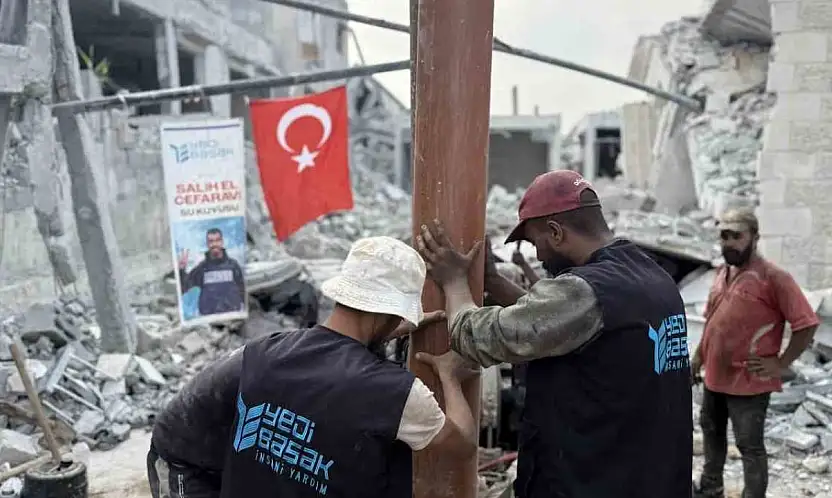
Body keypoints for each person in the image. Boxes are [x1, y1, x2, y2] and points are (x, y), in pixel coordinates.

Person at [416, 169, 693, 498]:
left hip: (591, 482)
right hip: (648, 478)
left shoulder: (587, 290)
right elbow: (561, 323)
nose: (538, 255)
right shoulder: (650, 278)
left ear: (556, 232)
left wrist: (454, 282)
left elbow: (476, 337)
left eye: (536, 242)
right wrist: (491, 281)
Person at [146, 236, 479, 498]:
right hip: (188, 463)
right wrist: (449, 377)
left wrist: (384, 330)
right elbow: (462, 444)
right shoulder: (397, 394)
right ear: (390, 314)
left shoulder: (264, 352)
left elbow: (337, 352)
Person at [691, 208, 819, 498]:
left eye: (737, 236)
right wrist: (698, 358)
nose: (729, 242)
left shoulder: (773, 278)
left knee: (749, 446)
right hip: (714, 375)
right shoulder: (723, 273)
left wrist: (781, 362)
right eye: (724, 235)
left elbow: (807, 324)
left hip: (749, 381)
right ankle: (711, 488)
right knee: (712, 433)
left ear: (755, 237)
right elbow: (712, 322)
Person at [178, 228, 246, 316]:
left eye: (217, 240)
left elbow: (243, 291)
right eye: (211, 241)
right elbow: (184, 286)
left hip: (233, 317)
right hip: (210, 320)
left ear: (222, 242)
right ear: (207, 244)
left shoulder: (233, 266)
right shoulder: (202, 268)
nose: (214, 244)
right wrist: (181, 270)